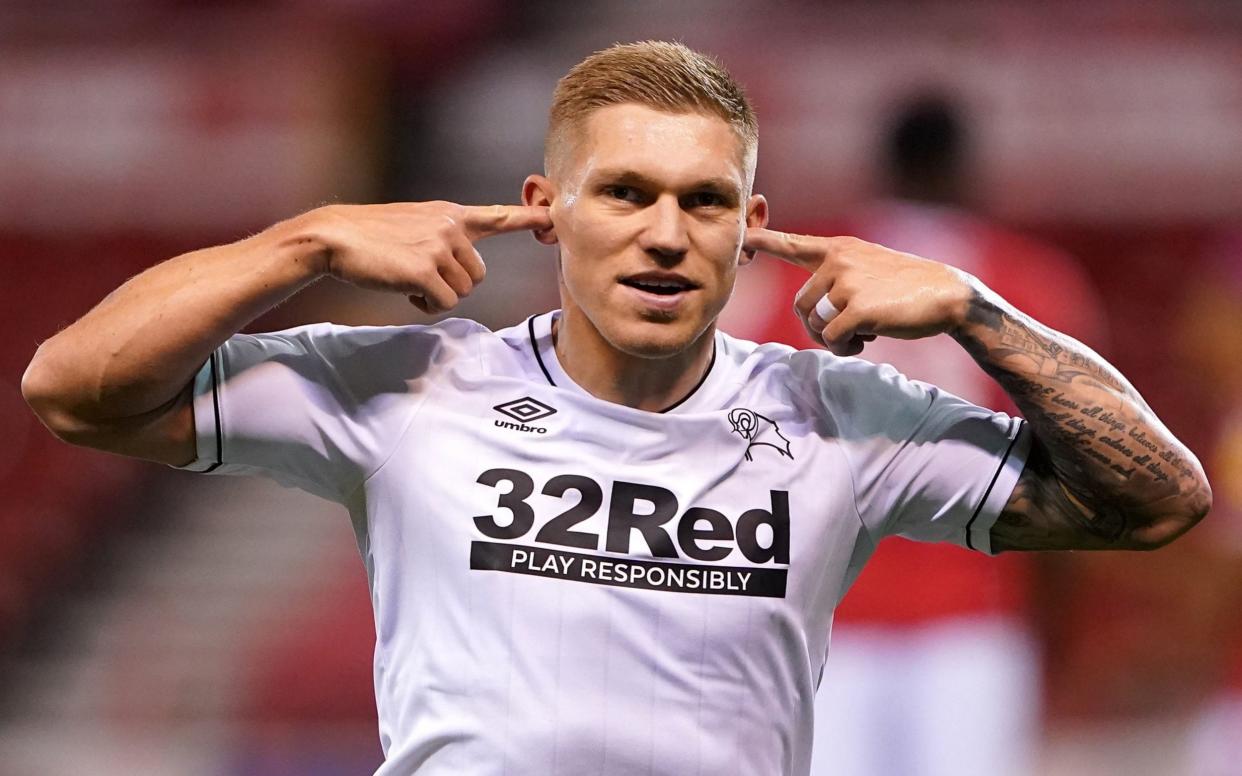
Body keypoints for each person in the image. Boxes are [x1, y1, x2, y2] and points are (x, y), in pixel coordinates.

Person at [21, 41, 1210, 776]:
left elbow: (1157, 501)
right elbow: (73, 388)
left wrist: (975, 307)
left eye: (703, 200)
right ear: (547, 209)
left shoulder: (836, 415)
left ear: (751, 230)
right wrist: (303, 240)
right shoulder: (411, 386)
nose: (662, 231)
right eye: (626, 192)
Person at [746, 94, 1102, 776]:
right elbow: (1074, 465)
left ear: (881, 166)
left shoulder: (805, 268)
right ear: (968, 169)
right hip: (971, 611)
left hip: (830, 609)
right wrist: (1057, 627)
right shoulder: (1029, 279)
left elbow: (756, 441)